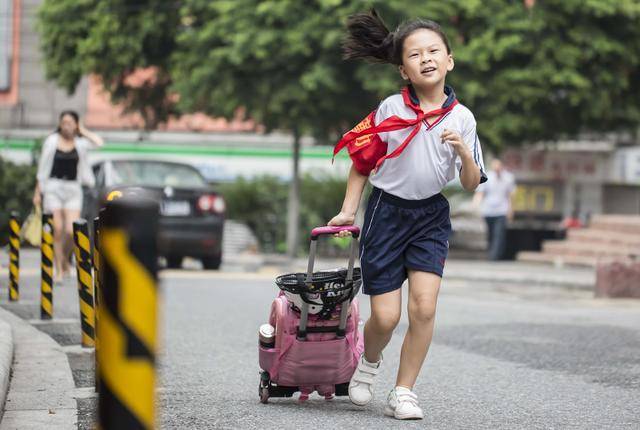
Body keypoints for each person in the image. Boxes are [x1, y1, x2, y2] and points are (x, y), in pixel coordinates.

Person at [329, 11, 486, 420]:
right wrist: (349, 210)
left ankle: (404, 391)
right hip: (387, 211)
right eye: (416, 54)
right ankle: (370, 359)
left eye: (434, 51)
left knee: (424, 308)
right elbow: (362, 162)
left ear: (449, 59)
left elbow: (471, 182)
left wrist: (464, 154)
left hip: (431, 215)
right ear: (404, 69)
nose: (426, 58)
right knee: (385, 316)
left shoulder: (463, 118)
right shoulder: (390, 109)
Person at [33, 111, 104, 283]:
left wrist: (82, 130)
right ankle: (59, 269)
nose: (67, 126)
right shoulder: (51, 141)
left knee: (72, 231)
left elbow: (99, 143)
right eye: (64, 122)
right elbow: (43, 168)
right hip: (53, 187)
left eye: (70, 122)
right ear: (59, 124)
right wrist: (38, 192)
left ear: (76, 124)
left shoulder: (80, 143)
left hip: (73, 188)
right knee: (56, 229)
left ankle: (64, 261)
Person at [473, 158, 516, 261]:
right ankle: (492, 252)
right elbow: (480, 193)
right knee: (491, 233)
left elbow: (511, 195)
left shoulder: (508, 178)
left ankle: (494, 257)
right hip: (488, 210)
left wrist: (511, 210)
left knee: (498, 234)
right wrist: (475, 205)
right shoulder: (488, 177)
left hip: (501, 210)